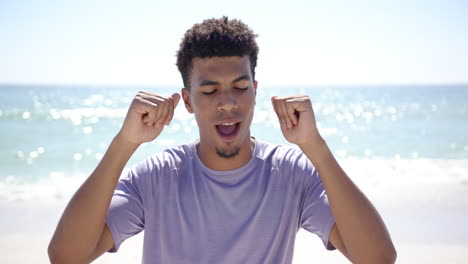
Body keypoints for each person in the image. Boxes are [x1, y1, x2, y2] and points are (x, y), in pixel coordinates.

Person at [48, 16, 396, 263]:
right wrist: (124, 143)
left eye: (241, 88)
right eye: (210, 90)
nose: (228, 103)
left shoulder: (292, 174)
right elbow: (67, 256)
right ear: (187, 101)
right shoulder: (156, 177)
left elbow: (377, 258)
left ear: (255, 92)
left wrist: (316, 149)